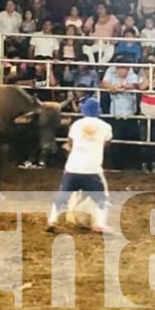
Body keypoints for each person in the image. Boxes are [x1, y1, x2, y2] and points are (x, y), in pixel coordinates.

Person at [47, 97, 113, 234]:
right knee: (102, 197)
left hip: (73, 166)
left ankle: (52, 219)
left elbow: (70, 143)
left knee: (62, 195)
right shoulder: (106, 127)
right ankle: (100, 223)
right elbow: (106, 146)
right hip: (92, 168)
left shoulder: (76, 125)